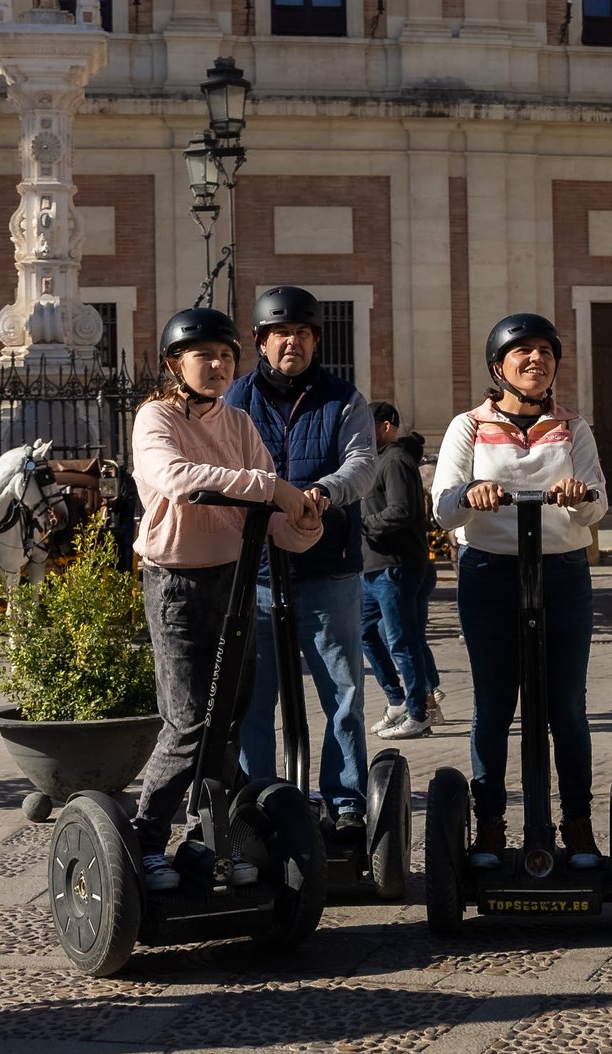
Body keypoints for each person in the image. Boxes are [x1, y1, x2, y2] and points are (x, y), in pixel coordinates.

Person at [128, 307, 322, 892]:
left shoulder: (237, 423)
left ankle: (203, 837)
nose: (216, 366)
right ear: (174, 363)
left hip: (233, 582)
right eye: (203, 355)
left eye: (225, 356)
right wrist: (276, 491)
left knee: (230, 720)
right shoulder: (154, 418)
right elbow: (182, 480)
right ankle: (145, 839)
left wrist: (304, 521)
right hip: (176, 585)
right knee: (188, 723)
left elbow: (270, 514)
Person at [433, 312, 608, 869]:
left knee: (567, 706)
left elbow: (598, 505)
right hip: (490, 572)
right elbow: (440, 507)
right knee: (493, 705)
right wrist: (471, 491)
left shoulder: (574, 427)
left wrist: (578, 494)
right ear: (497, 366)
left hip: (560, 572)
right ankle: (488, 826)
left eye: (545, 352)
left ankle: (576, 825)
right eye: (522, 352)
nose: (536, 360)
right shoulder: (467, 426)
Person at [227, 286, 377, 840]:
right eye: (279, 334)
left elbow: (362, 464)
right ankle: (261, 803)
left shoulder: (343, 399)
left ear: (316, 339)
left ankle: (345, 804)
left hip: (328, 571)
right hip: (254, 573)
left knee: (343, 696)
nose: (292, 343)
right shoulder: (234, 402)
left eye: (302, 334)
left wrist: (321, 491)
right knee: (254, 698)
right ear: (261, 342)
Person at [361, 401, 446, 740]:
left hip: (395, 567)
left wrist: (363, 526)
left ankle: (418, 712)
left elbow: (400, 511)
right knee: (365, 631)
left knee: (401, 641)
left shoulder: (395, 461)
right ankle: (397, 700)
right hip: (371, 567)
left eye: (367, 424)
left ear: (386, 426)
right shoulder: (372, 461)